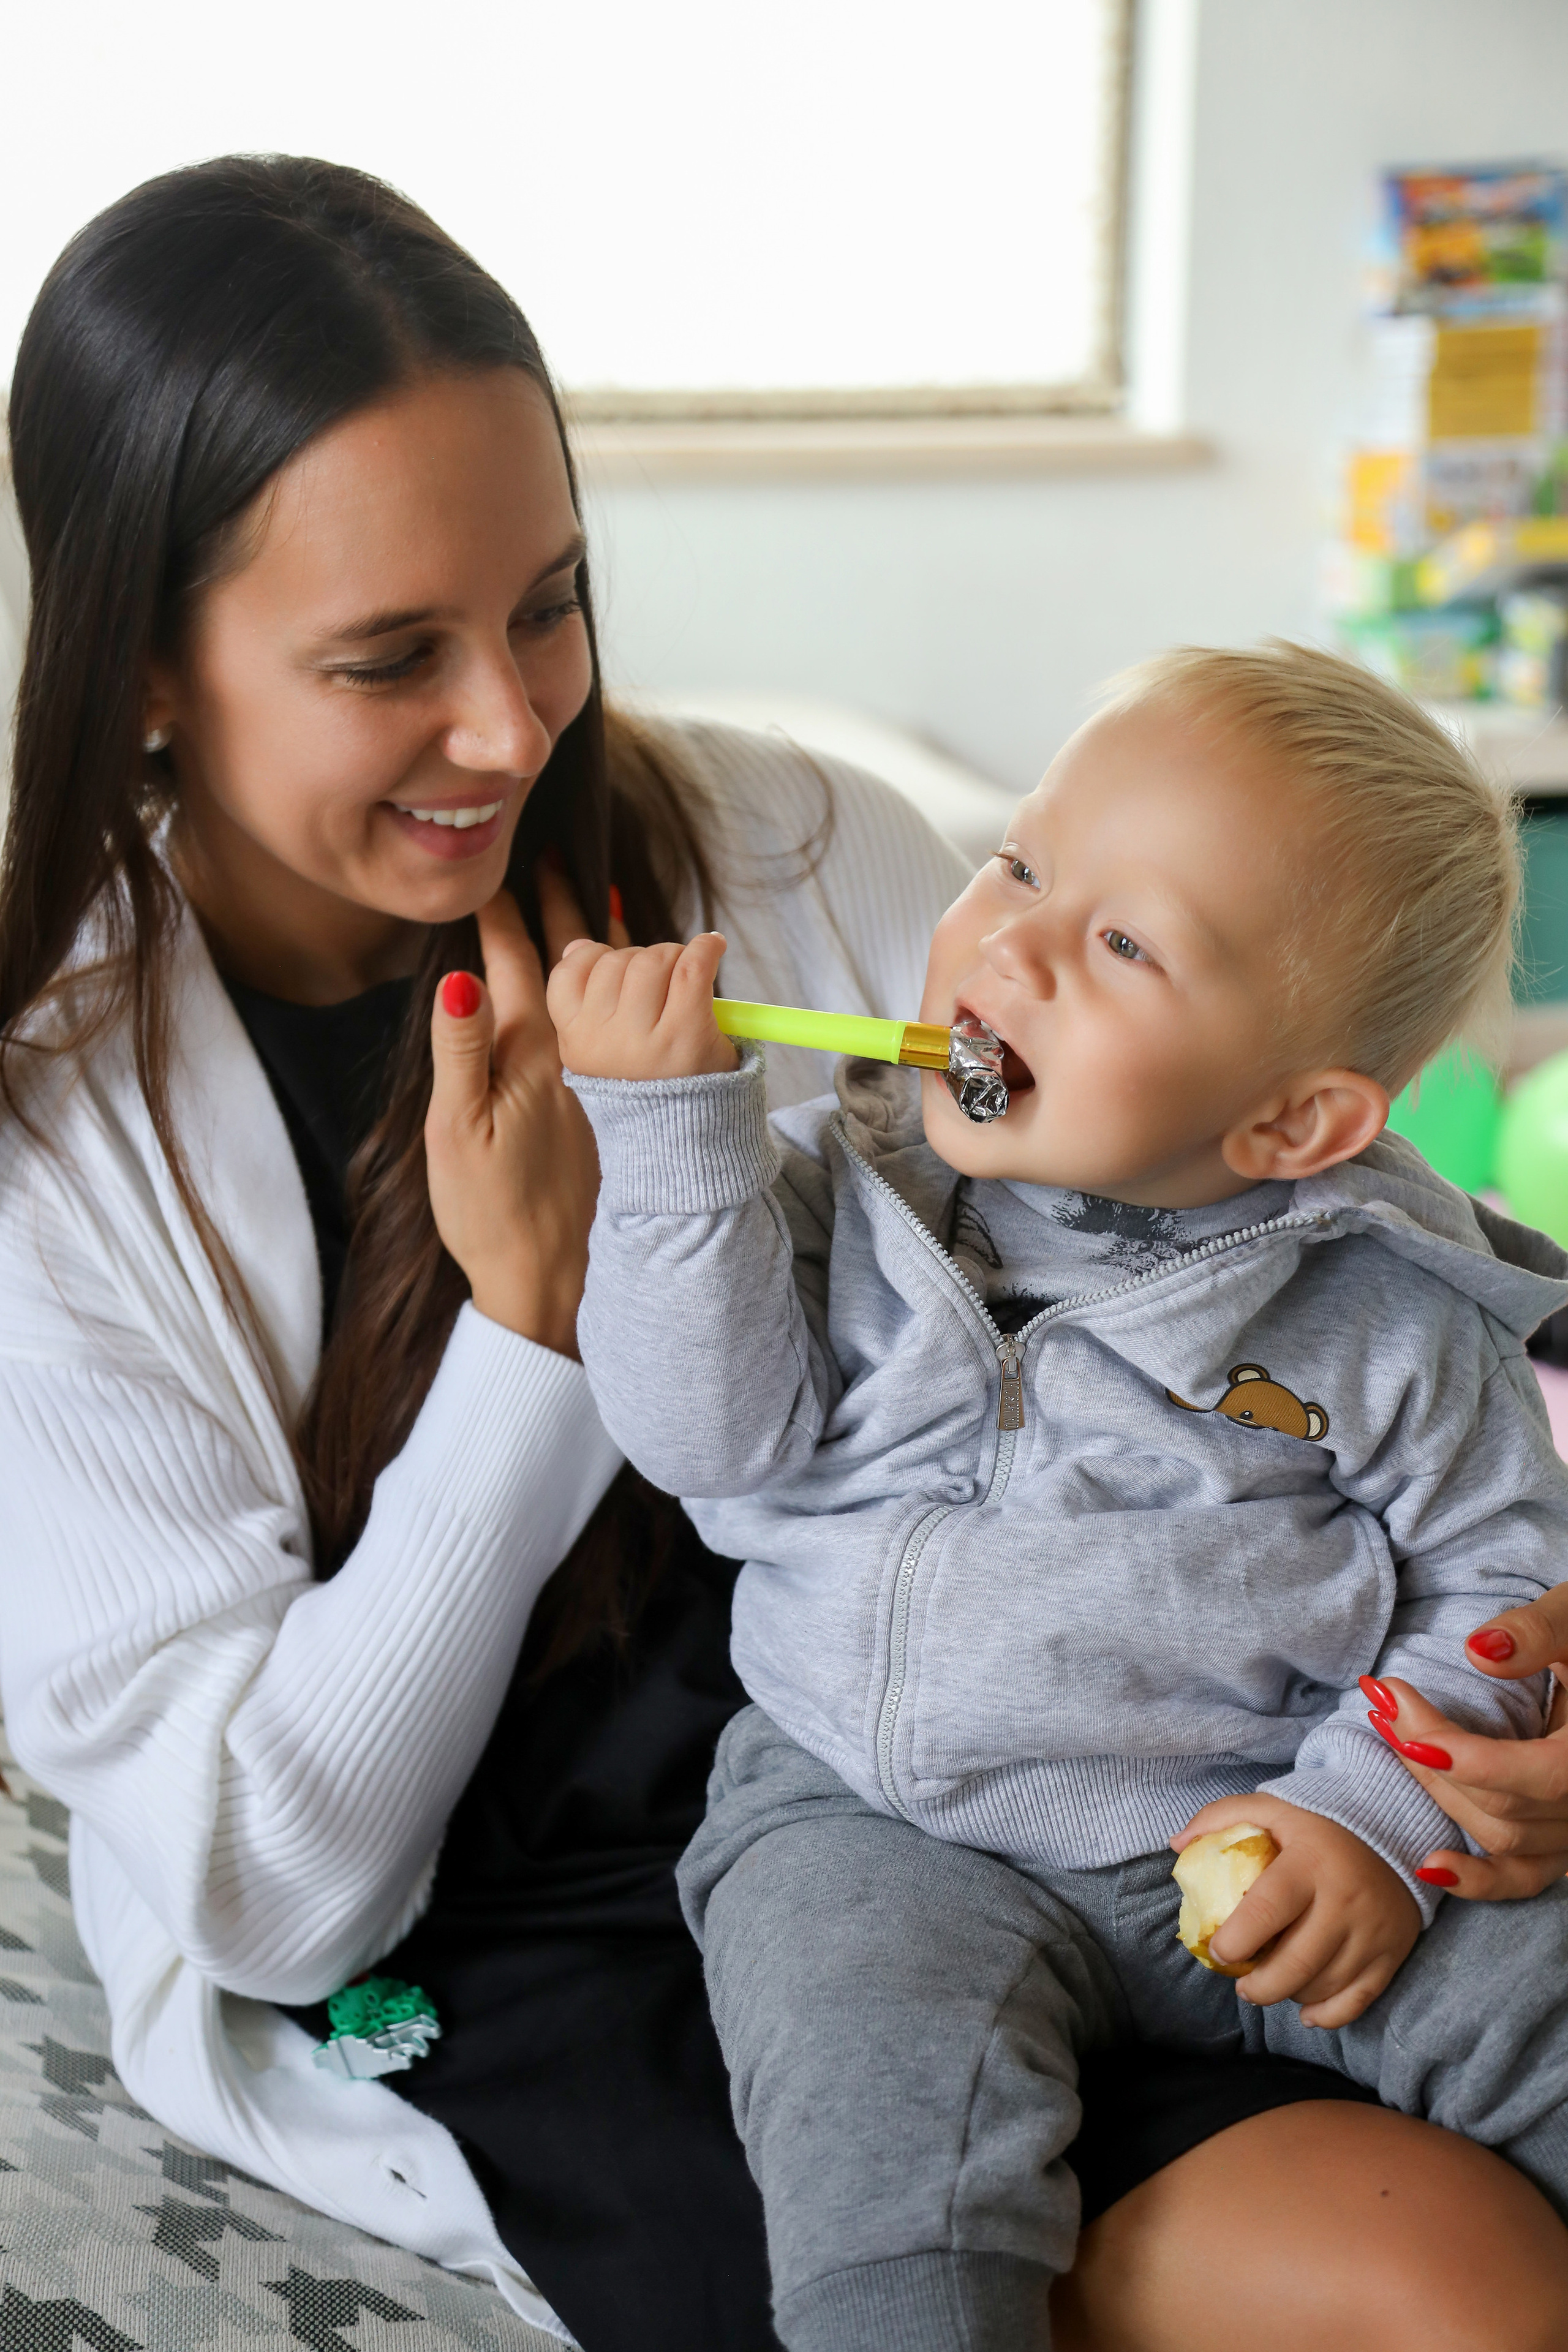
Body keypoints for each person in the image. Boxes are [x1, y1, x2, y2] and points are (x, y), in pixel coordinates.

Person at [1, 156, 1565, 2352]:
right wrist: (538, 1339)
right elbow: (273, 1888)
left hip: (1086, 1777)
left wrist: (1524, 1694)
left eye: (547, 604)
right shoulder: (54, 1145)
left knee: (1477, 2273)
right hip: (548, 1906)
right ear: (144, 665)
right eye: (388, 660)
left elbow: (1282, 1228)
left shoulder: (790, 845)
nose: (513, 730)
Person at [552, 640, 1568, 2349]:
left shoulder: (1390, 1318)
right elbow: (702, 1444)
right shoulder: (825, 1188)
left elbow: (1503, 1580)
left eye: (1118, 941)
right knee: (881, 2152)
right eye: (1019, 863)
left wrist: (1377, 1822)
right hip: (885, 1824)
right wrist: (663, 1151)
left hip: (1276, 1821)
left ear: (1295, 1117)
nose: (1004, 940)